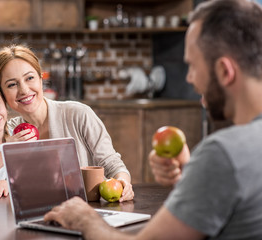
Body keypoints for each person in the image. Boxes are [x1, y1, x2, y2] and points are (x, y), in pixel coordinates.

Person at [43, 0, 262, 239]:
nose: (189, 79)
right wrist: (190, 174)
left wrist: (85, 218)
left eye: (192, 66)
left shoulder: (223, 154)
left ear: (224, 71)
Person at [0, 45, 134, 202]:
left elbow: (112, 163)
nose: (24, 90)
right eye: (12, 84)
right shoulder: (10, 131)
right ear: (2, 94)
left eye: (30, 78)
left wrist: (123, 182)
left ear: (40, 78)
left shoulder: (78, 114)